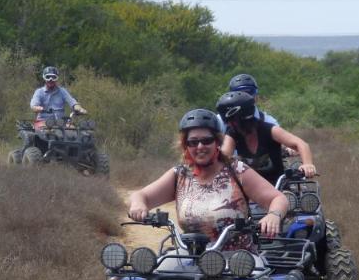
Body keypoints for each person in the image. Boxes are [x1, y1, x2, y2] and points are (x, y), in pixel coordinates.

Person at [127, 109, 288, 249]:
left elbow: (278, 198)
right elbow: (140, 195)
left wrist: (273, 215)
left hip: (238, 262)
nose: (200, 147)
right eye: (193, 142)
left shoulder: (237, 171)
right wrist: (138, 205)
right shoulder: (179, 175)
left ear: (217, 142)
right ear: (185, 145)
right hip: (190, 258)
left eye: (206, 140)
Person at [216, 90, 316, 185]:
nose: (230, 125)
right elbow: (224, 157)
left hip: (279, 187)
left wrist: (307, 164)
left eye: (233, 121)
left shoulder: (270, 130)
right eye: (228, 122)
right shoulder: (233, 135)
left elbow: (301, 144)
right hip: (251, 191)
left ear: (244, 117)